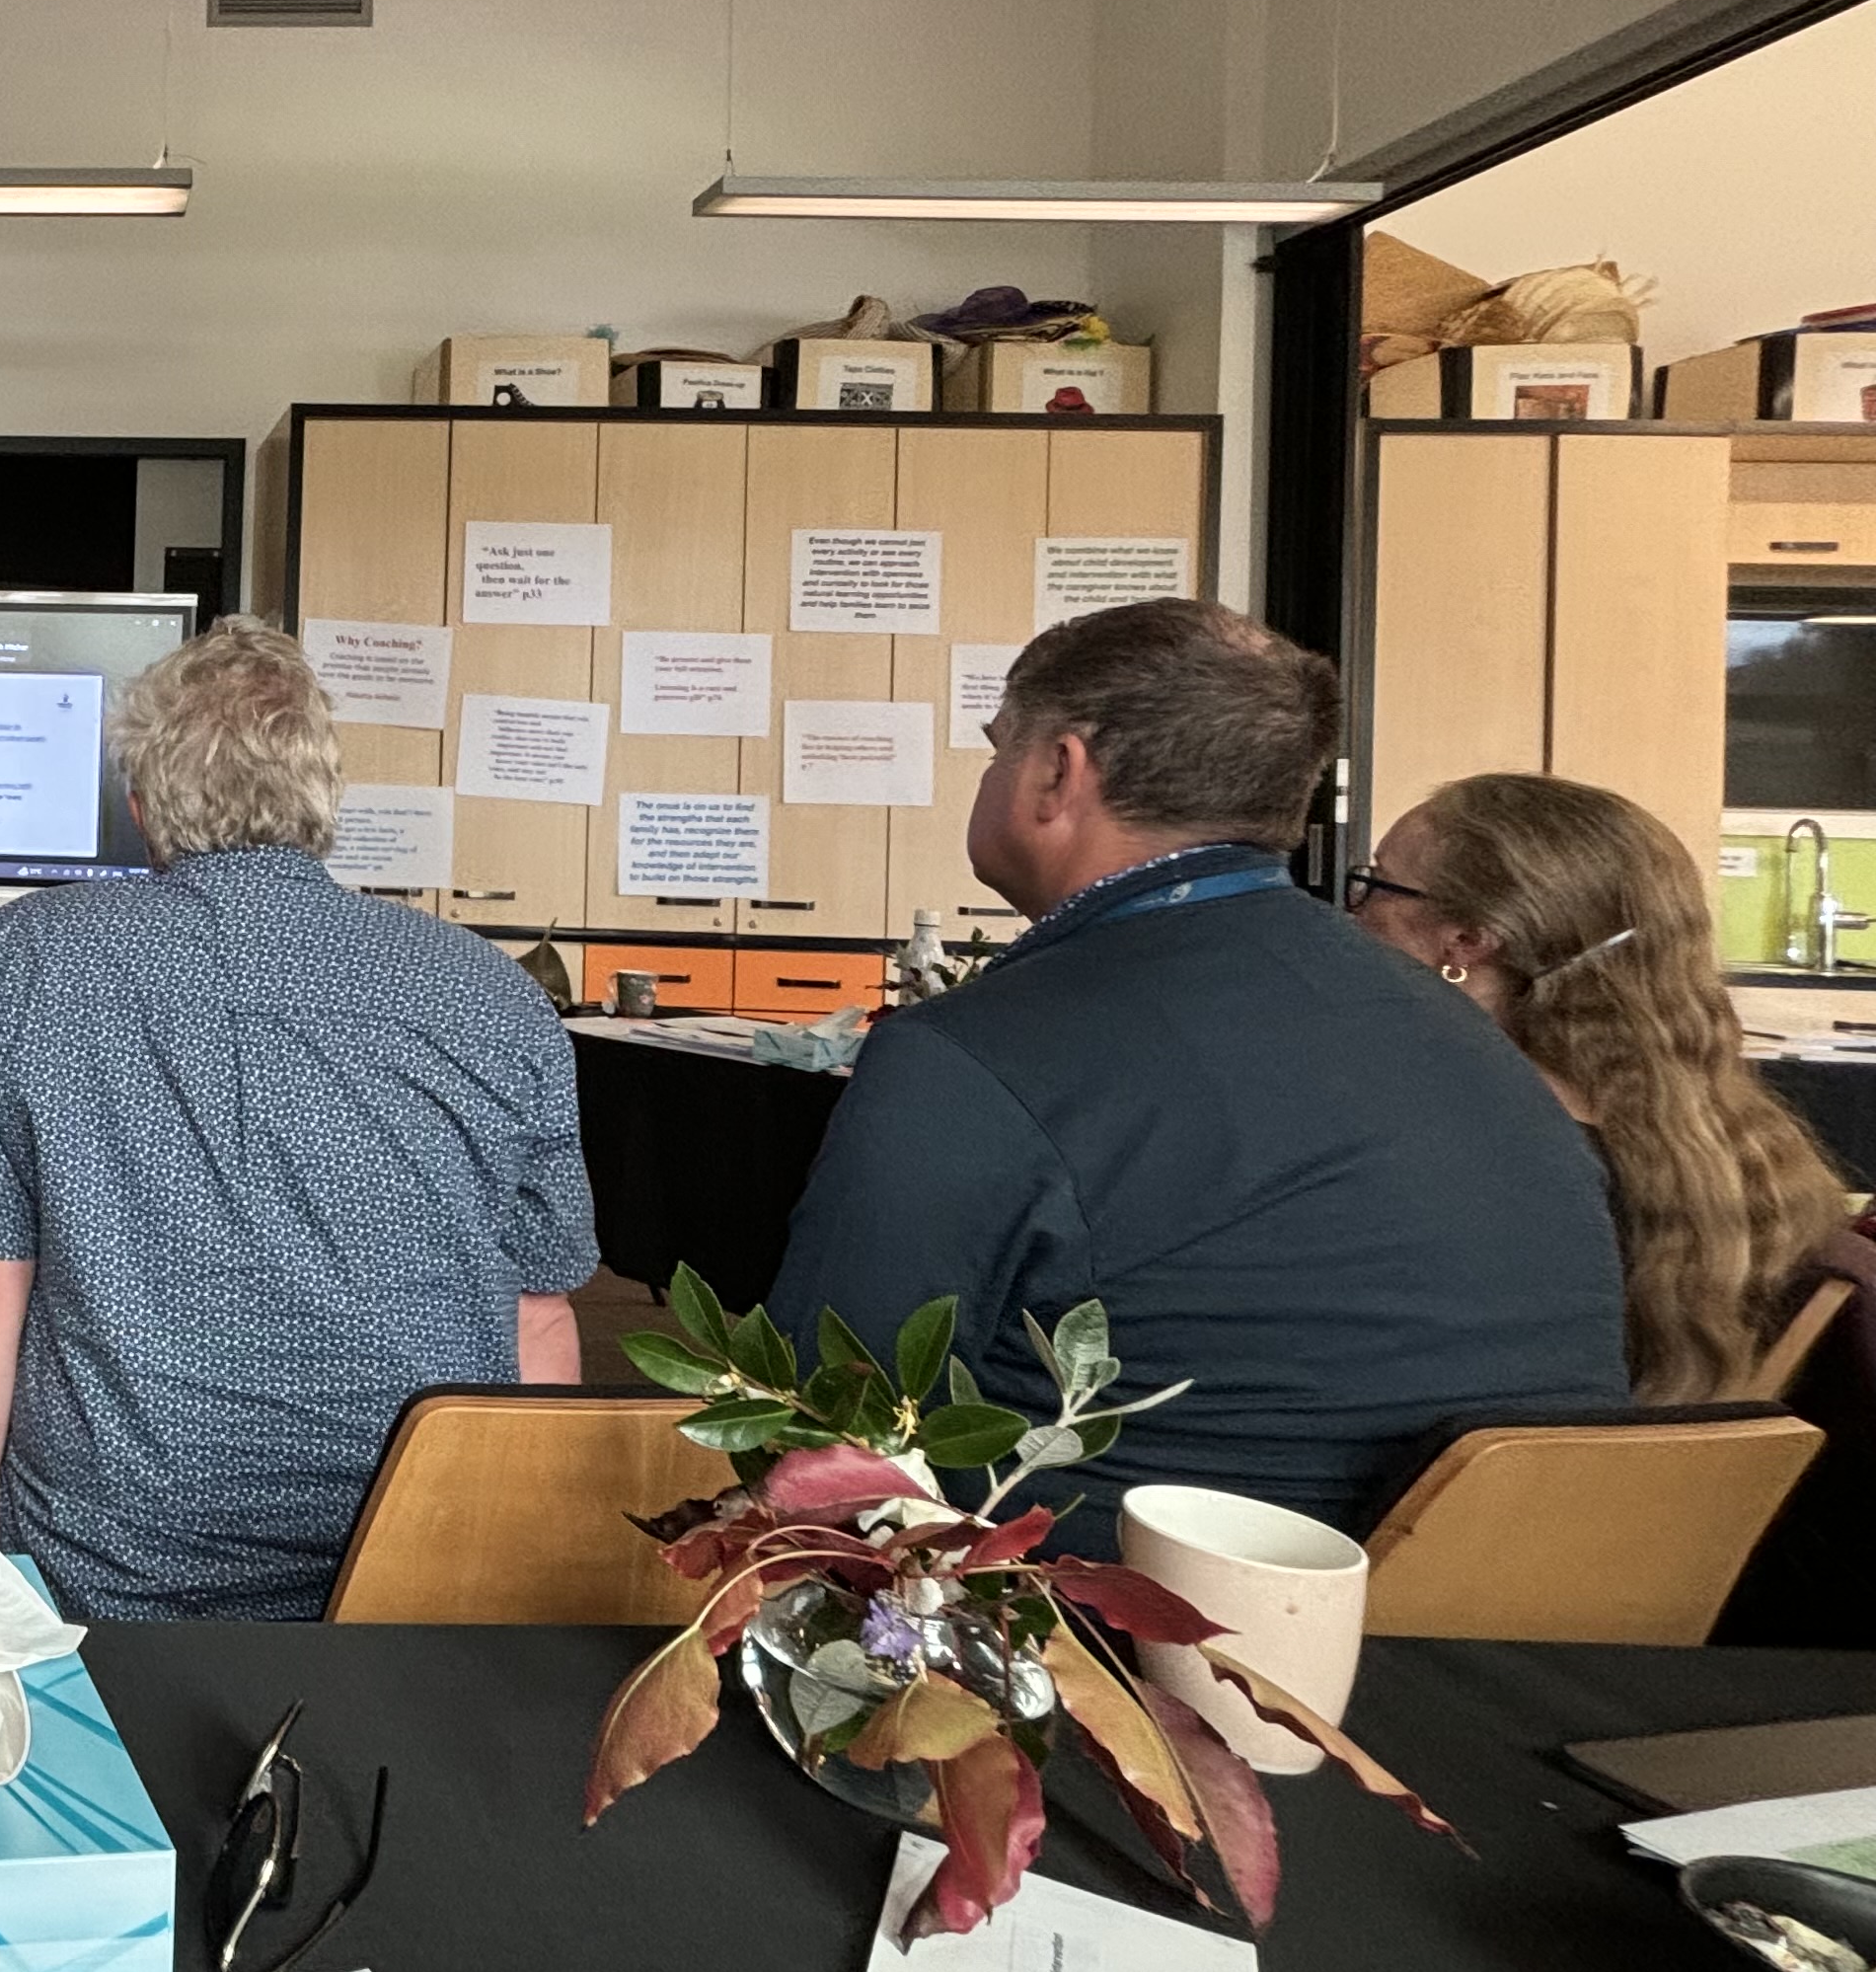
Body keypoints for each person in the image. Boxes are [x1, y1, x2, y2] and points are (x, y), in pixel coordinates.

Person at [759, 599, 1626, 1533]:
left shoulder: (974, 1051)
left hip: (1127, 1641)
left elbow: (821, 1427)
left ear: (1058, 772)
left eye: (998, 744)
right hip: (1514, 1625)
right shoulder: (1459, 1033)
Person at [0, 616, 599, 1620]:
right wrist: (506, 1588)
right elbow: (538, 1317)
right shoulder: (495, 995)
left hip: (109, 1574)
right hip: (415, 1568)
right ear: (325, 803)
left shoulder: (23, 963)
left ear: (143, 807)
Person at [1349, 771, 1850, 1401]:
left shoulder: (1467, 1150)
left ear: (1468, 941)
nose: (1352, 911)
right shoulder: (1731, 1142)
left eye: (1375, 885)